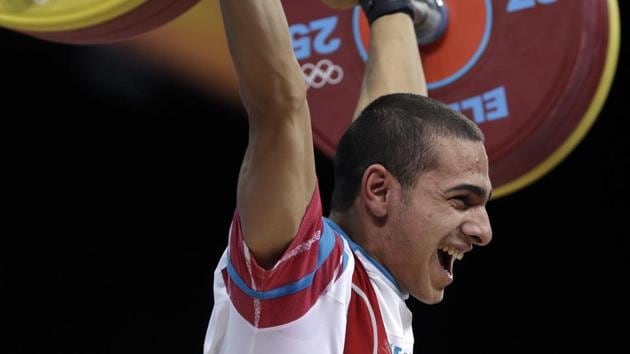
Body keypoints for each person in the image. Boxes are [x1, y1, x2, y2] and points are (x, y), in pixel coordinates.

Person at [204, 0, 493, 353]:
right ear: (378, 191)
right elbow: (279, 103)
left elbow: (396, 139)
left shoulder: (382, 301)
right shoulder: (302, 276)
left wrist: (391, 11)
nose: (484, 232)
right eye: (461, 200)